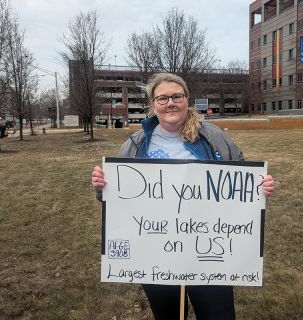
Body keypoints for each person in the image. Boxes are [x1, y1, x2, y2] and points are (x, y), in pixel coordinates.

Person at [91, 73, 275, 320]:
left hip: (209, 251)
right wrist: (102, 187)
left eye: (177, 96)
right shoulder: (136, 144)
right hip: (155, 251)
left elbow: (240, 177)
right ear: (153, 104)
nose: (170, 103)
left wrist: (260, 187)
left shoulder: (213, 136)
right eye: (162, 98)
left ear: (187, 100)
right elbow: (117, 199)